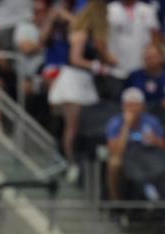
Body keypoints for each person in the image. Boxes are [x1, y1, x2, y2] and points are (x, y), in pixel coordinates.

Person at [49, 0, 116, 182]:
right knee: (72, 128)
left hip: (86, 82)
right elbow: (75, 58)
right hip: (73, 81)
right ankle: (70, 163)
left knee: (85, 127)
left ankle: (83, 162)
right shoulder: (80, 33)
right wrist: (95, 66)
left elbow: (107, 57)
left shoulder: (94, 36)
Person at [105, 87, 165, 200]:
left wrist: (155, 140)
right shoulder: (115, 123)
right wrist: (127, 126)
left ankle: (160, 201)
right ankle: (116, 202)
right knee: (114, 164)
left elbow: (164, 147)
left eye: (136, 105)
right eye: (130, 105)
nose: (133, 109)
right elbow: (115, 152)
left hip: (148, 156)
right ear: (123, 106)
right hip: (126, 157)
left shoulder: (152, 121)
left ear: (143, 106)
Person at [106, 0, 159, 79]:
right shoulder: (109, 9)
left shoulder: (147, 10)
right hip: (116, 69)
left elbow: (155, 37)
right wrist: (107, 57)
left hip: (142, 68)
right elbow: (101, 38)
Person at [124, 43, 165, 110]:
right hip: (137, 113)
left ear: (161, 58)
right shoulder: (134, 76)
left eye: (153, 57)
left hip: (159, 115)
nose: (150, 60)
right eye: (148, 57)